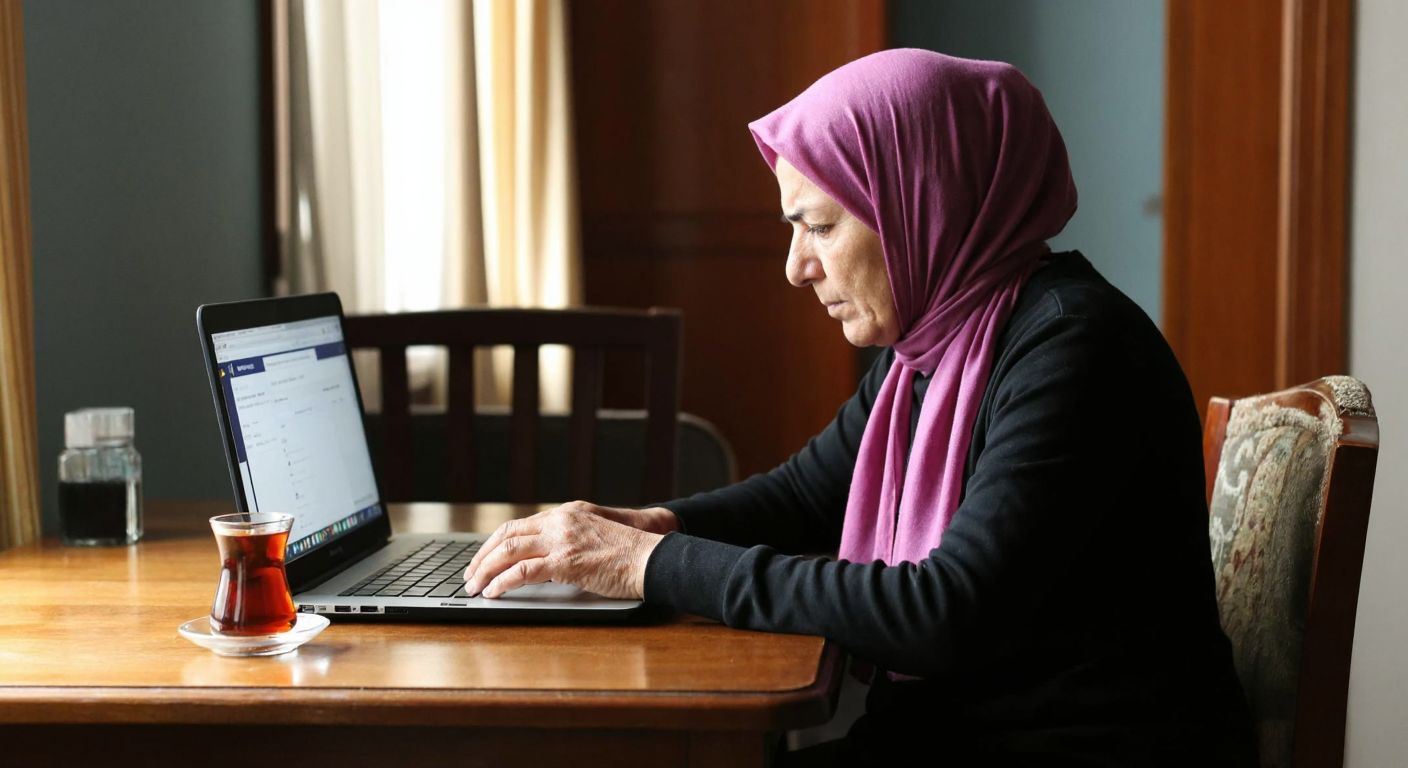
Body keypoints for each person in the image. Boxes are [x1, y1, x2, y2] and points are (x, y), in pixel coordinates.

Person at [462, 49, 1256, 766]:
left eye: (820, 225)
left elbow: (942, 611)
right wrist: (651, 525)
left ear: (922, 200)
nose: (796, 267)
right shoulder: (937, 346)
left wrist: (650, 565)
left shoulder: (1073, 350)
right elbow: (807, 495)